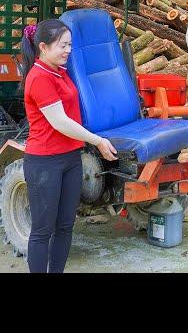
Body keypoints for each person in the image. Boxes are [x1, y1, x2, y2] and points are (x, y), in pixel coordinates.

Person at [21, 20, 118, 273]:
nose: (68, 50)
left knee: (65, 226)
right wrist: (97, 140)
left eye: (70, 45)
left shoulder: (59, 72)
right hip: (45, 162)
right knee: (43, 230)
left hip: (70, 158)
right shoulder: (39, 77)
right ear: (43, 47)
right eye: (63, 45)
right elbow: (60, 122)